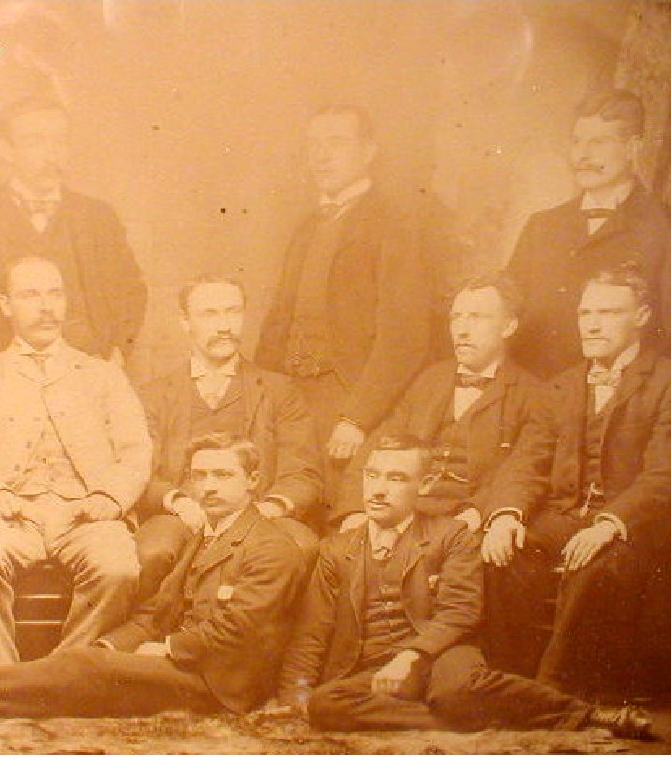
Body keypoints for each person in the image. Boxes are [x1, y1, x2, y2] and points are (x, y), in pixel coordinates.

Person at [0, 432, 308, 731]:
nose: (209, 487)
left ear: (253, 481)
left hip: (220, 684)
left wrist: (164, 649)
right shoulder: (203, 535)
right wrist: (114, 644)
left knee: (86, 669)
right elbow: (155, 612)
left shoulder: (273, 547)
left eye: (223, 475)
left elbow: (237, 632)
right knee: (89, 662)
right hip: (183, 664)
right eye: (200, 476)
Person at [276, 435, 653, 738]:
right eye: (372, 475)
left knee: (455, 690)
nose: (378, 490)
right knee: (327, 705)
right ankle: (462, 720)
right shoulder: (337, 548)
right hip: (374, 665)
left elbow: (461, 611)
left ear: (423, 484)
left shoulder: (451, 535)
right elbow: (314, 628)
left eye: (396, 478)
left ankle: (588, 715)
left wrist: (412, 655)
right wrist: (297, 692)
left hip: (441, 656)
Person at [0, 255, 151, 667]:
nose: (46, 307)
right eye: (30, 295)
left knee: (118, 569)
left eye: (55, 294)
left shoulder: (103, 375)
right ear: (6, 305)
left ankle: (63, 672)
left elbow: (136, 450)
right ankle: (2, 675)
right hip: (10, 513)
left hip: (86, 513)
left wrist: (111, 496)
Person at [480, 266, 671, 698]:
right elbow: (527, 461)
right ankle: (511, 688)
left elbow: (664, 474)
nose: (593, 324)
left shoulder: (665, 382)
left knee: (596, 566)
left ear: (641, 315)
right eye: (586, 312)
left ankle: (559, 692)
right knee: (504, 554)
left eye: (609, 312)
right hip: (566, 515)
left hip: (639, 526)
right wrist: (506, 515)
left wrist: (609, 523)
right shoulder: (562, 385)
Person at [255, 104, 431, 522]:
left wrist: (357, 417)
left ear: (369, 150)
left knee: (340, 520)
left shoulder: (394, 223)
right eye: (314, 144)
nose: (321, 155)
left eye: (336, 142)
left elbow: (405, 335)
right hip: (294, 397)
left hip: (349, 400)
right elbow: (279, 321)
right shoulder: (306, 227)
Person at [0, 95, 147, 391]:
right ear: (5, 150)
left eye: (60, 142)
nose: (52, 156)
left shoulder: (98, 219)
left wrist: (116, 354)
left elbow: (131, 292)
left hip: (83, 381)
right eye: (35, 142)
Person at [133, 274, 320, 599]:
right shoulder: (154, 395)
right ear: (185, 323)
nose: (224, 326)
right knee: (152, 552)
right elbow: (138, 472)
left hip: (258, 512)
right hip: (183, 514)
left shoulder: (279, 391)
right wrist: (179, 502)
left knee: (301, 547)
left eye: (232, 312)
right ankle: (154, 638)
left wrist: (267, 510)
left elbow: (303, 474)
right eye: (209, 314)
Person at [337, 273, 540, 528]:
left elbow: (523, 472)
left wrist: (479, 513)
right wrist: (354, 510)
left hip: (468, 520)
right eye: (456, 318)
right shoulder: (430, 379)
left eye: (477, 318)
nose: (462, 331)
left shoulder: (531, 394)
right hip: (408, 512)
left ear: (508, 326)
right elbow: (379, 444)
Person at [507, 88, 671, 378]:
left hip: (616, 406)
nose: (582, 155)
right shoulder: (541, 226)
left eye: (599, 142)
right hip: (530, 396)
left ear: (633, 147)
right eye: (577, 141)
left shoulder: (662, 228)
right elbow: (507, 314)